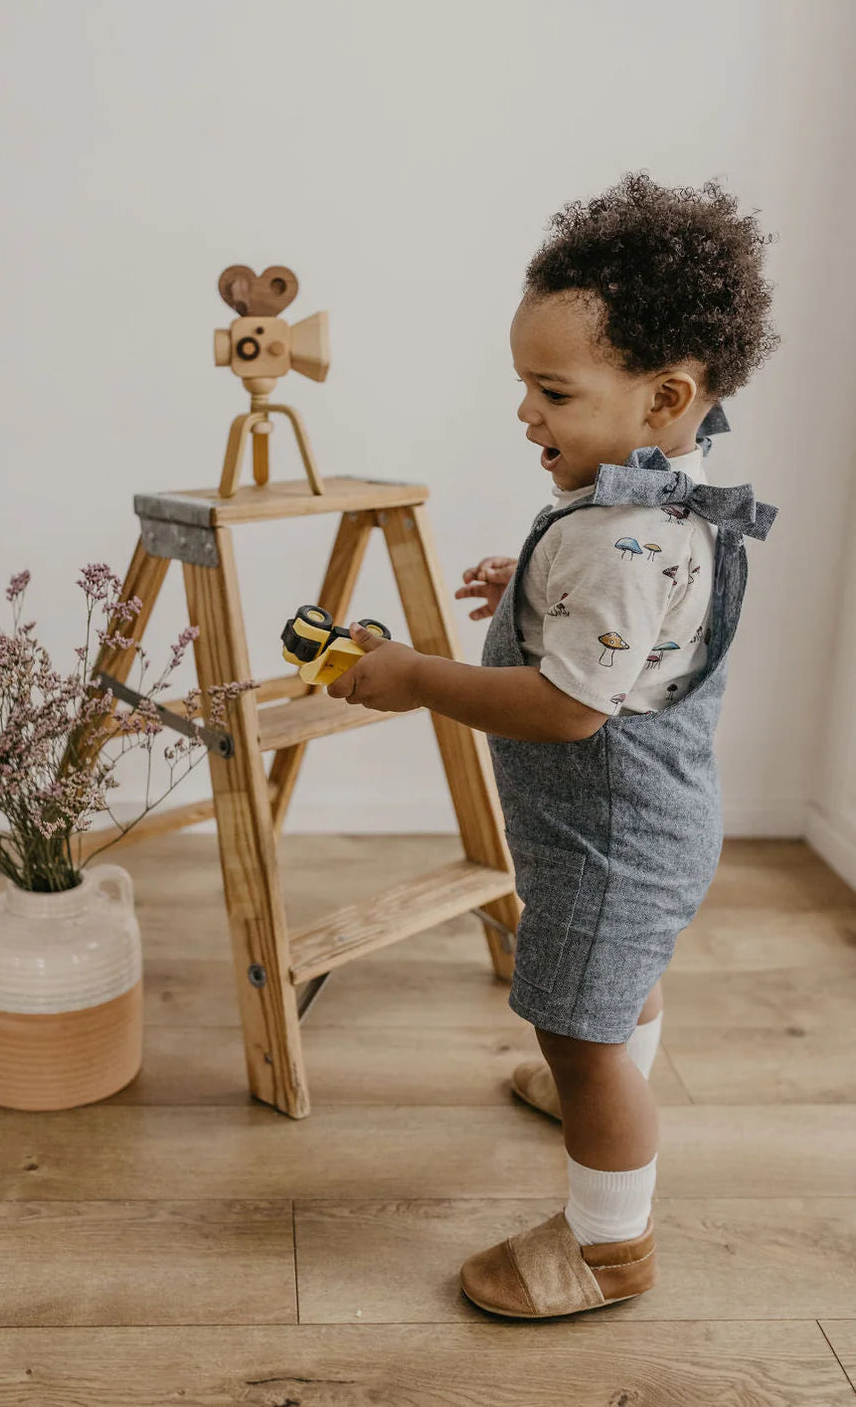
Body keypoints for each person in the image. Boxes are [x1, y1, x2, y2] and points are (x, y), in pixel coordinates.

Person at [327, 170, 780, 1319]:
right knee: (613, 990)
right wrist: (525, 581)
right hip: (650, 821)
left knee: (572, 1026)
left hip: (609, 831)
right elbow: (619, 610)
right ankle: (607, 1067)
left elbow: (572, 706)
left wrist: (419, 676)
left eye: (551, 390)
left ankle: (607, 1242)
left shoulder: (625, 535)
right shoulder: (659, 492)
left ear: (665, 394)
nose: (525, 412)